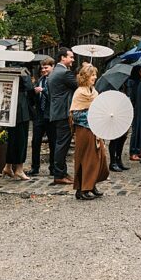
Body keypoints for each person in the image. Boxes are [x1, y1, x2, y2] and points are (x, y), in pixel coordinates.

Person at [70, 64, 110, 200]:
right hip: (84, 130)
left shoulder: (93, 91)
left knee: (99, 157)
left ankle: (91, 184)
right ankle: (82, 189)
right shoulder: (80, 92)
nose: (95, 77)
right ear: (86, 76)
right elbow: (75, 114)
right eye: (92, 75)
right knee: (86, 158)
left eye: (95, 75)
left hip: (95, 129)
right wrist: (92, 114)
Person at [48, 47, 78, 184]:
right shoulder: (64, 73)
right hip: (63, 113)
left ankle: (62, 172)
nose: (73, 60)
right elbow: (79, 85)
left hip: (57, 112)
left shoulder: (54, 72)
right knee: (62, 145)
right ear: (62, 58)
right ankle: (59, 175)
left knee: (61, 144)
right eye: (71, 57)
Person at [3, 66, 36, 180]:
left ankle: (8, 167)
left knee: (11, 140)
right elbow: (30, 90)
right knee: (21, 141)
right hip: (21, 109)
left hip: (10, 107)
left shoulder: (8, 70)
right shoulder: (23, 72)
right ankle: (19, 170)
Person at [29, 58, 55, 176]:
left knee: (52, 142)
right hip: (39, 116)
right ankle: (35, 167)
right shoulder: (40, 80)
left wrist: (43, 90)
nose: (44, 70)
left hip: (50, 116)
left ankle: (53, 168)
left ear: (52, 67)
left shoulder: (55, 80)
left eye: (46, 67)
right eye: (43, 68)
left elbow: (53, 97)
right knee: (35, 142)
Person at [127, 66, 141, 162]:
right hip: (137, 108)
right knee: (135, 130)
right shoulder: (135, 83)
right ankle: (133, 151)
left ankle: (140, 150)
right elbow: (133, 98)